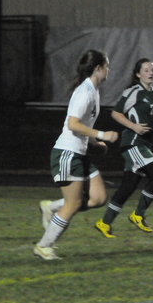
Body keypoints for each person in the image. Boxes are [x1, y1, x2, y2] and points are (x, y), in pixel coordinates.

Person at [34, 50, 119, 260]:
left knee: (98, 198)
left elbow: (82, 125)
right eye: (107, 66)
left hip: (80, 153)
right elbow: (73, 124)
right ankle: (44, 246)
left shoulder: (94, 91)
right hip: (67, 153)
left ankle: (52, 207)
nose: (109, 70)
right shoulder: (85, 92)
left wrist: (95, 143)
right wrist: (102, 134)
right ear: (98, 68)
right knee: (72, 204)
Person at [93, 58, 153, 238]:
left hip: (145, 144)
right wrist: (133, 126)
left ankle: (104, 223)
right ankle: (138, 215)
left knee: (128, 186)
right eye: (146, 70)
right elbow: (116, 113)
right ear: (138, 74)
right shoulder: (134, 91)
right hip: (133, 143)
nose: (151, 73)